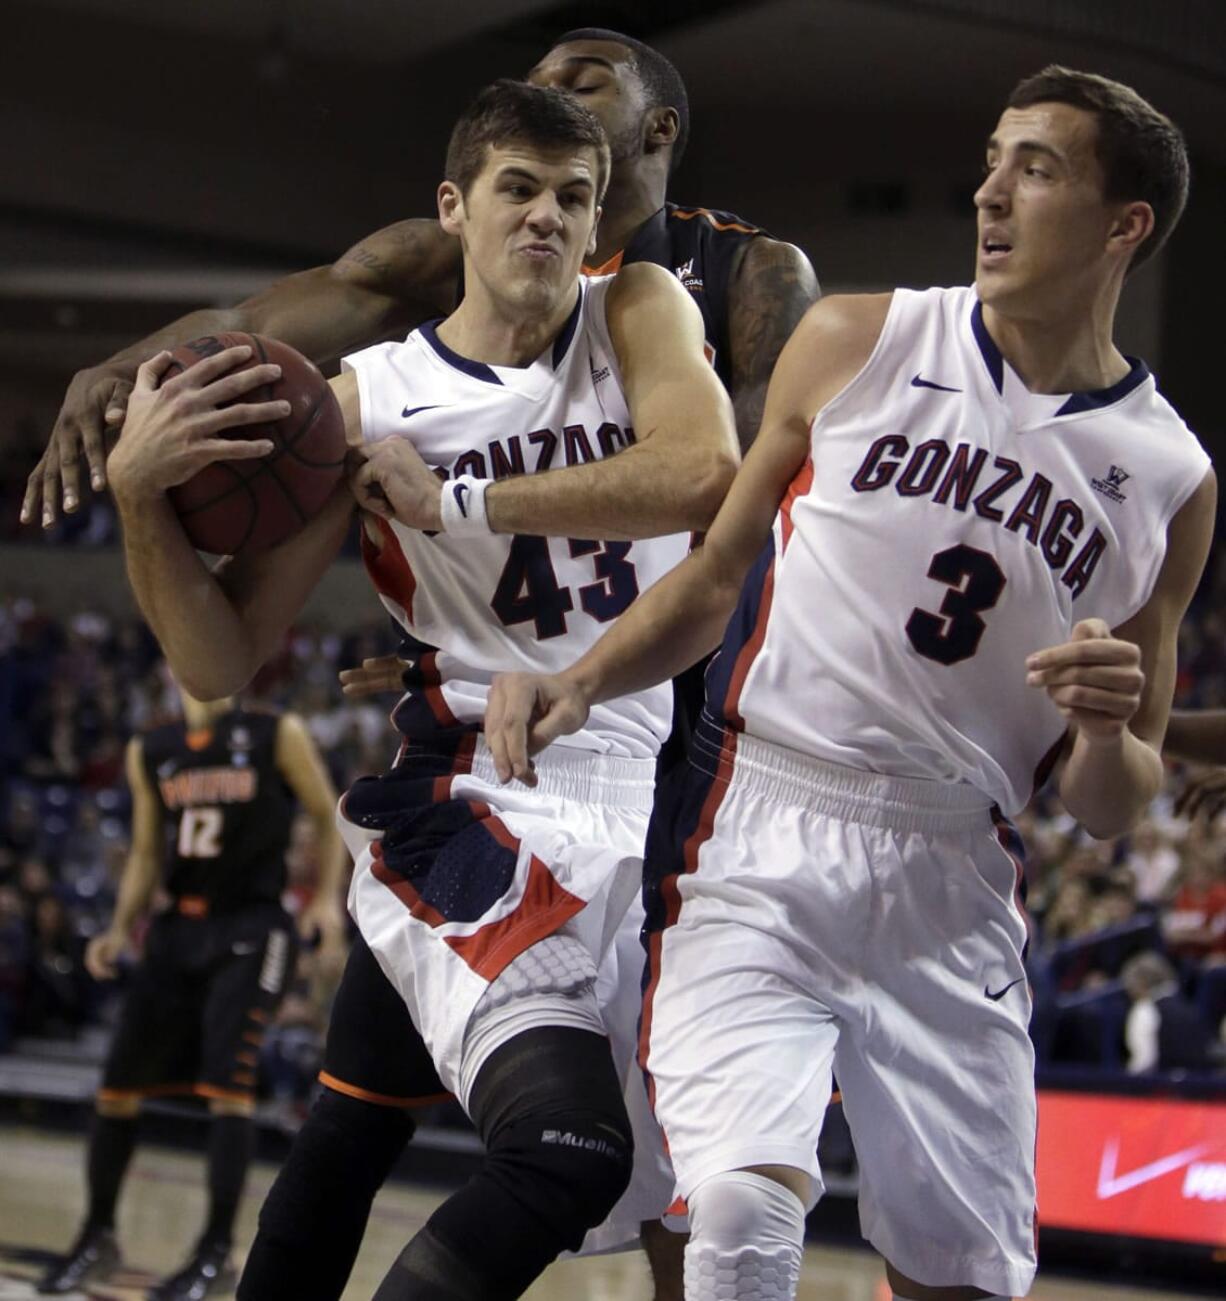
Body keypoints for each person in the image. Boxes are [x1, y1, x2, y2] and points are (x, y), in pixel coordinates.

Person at [26, 30, 816, 1301]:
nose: (551, 216)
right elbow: (219, 656)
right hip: (478, 795)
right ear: (454, 209)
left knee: (368, 1126)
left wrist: (456, 500)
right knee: (565, 1147)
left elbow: (704, 474)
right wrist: (135, 501)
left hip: (658, 788)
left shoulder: (647, 304)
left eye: (573, 192)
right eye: (520, 189)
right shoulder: (358, 403)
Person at [484, 66, 1213, 1300]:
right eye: (992, 157)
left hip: (956, 872)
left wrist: (1101, 727)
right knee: (737, 1216)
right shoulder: (858, 338)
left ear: (1122, 224)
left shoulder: (1167, 474)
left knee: (963, 1279)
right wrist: (582, 677)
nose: (988, 189)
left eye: (1034, 167)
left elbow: (1111, 798)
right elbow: (715, 577)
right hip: (761, 825)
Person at [21, 28, 815, 528]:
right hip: (541, 623)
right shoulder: (445, 255)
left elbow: (758, 500)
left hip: (696, 649)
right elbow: (251, 327)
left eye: (579, 80)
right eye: (537, 79)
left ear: (659, 126)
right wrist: (118, 370)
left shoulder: (748, 272)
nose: (546, 89)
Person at [40, 686, 347, 1300]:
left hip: (252, 926)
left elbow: (327, 812)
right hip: (179, 927)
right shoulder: (151, 748)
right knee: (117, 1089)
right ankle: (97, 1235)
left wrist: (324, 902)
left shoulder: (273, 732)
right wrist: (120, 927)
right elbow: (149, 849)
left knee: (228, 1090)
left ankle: (215, 1254)